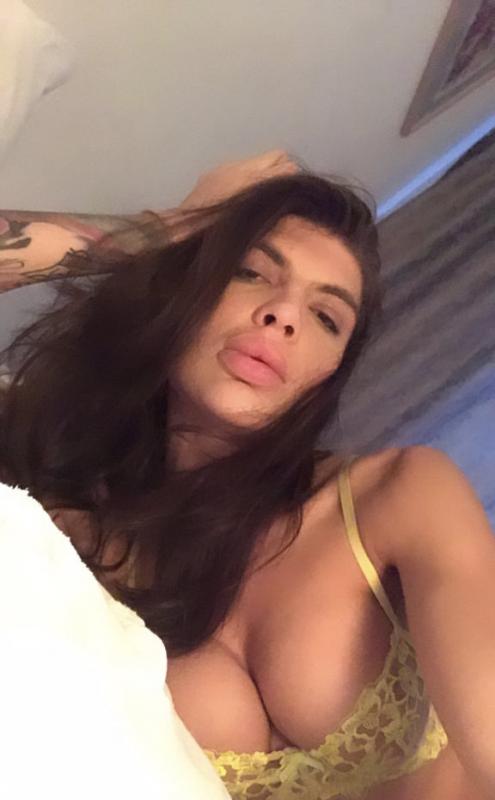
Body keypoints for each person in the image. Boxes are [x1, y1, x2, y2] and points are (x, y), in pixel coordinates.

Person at [1, 149, 494, 800]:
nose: (283, 315)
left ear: (328, 375)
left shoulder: (399, 495)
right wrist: (168, 230)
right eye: (251, 272)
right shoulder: (53, 514)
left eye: (326, 318)